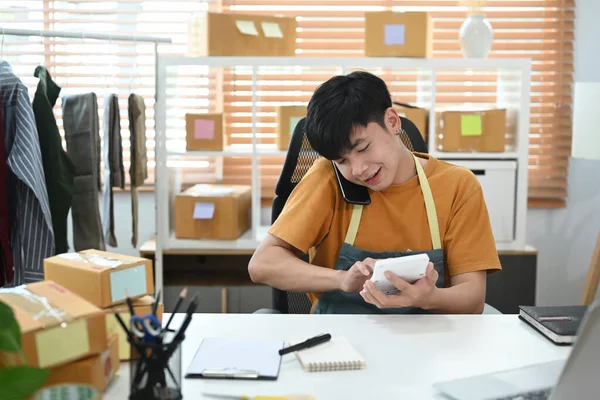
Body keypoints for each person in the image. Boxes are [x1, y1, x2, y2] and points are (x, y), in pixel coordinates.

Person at [248, 71, 501, 314]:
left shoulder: (457, 186)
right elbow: (263, 264)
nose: (358, 170)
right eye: (342, 160)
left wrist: (429, 298)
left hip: (428, 341)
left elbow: (473, 298)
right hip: (340, 340)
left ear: (392, 121)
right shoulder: (327, 179)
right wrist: (343, 279)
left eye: (363, 148)